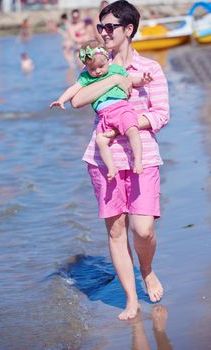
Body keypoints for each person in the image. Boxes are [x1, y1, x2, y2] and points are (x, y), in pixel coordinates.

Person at [71, 0, 169, 321]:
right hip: (104, 160)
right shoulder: (97, 66)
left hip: (144, 156)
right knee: (115, 231)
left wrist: (126, 122)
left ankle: (148, 269)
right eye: (101, 27)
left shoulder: (151, 69)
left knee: (143, 230)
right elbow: (78, 99)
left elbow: (161, 114)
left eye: (109, 26)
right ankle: (131, 299)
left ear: (128, 30)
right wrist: (113, 80)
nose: (103, 33)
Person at [50, 40, 152, 180]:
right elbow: (74, 89)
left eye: (101, 66)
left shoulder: (115, 69)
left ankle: (138, 161)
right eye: (92, 69)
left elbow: (132, 80)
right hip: (104, 116)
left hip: (122, 109)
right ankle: (111, 168)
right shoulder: (86, 77)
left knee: (132, 130)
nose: (97, 71)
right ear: (86, 66)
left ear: (107, 61)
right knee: (100, 140)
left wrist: (143, 80)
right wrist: (61, 100)